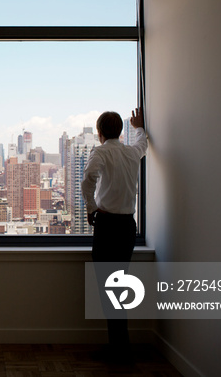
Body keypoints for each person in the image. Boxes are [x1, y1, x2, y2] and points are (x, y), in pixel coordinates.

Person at [82, 108, 148, 359]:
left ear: (99, 133)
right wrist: (139, 126)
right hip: (127, 228)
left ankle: (119, 350)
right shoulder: (131, 152)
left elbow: (88, 178)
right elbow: (143, 143)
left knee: (108, 288)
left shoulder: (100, 152)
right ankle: (121, 347)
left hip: (108, 227)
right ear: (120, 131)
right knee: (119, 287)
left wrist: (90, 208)